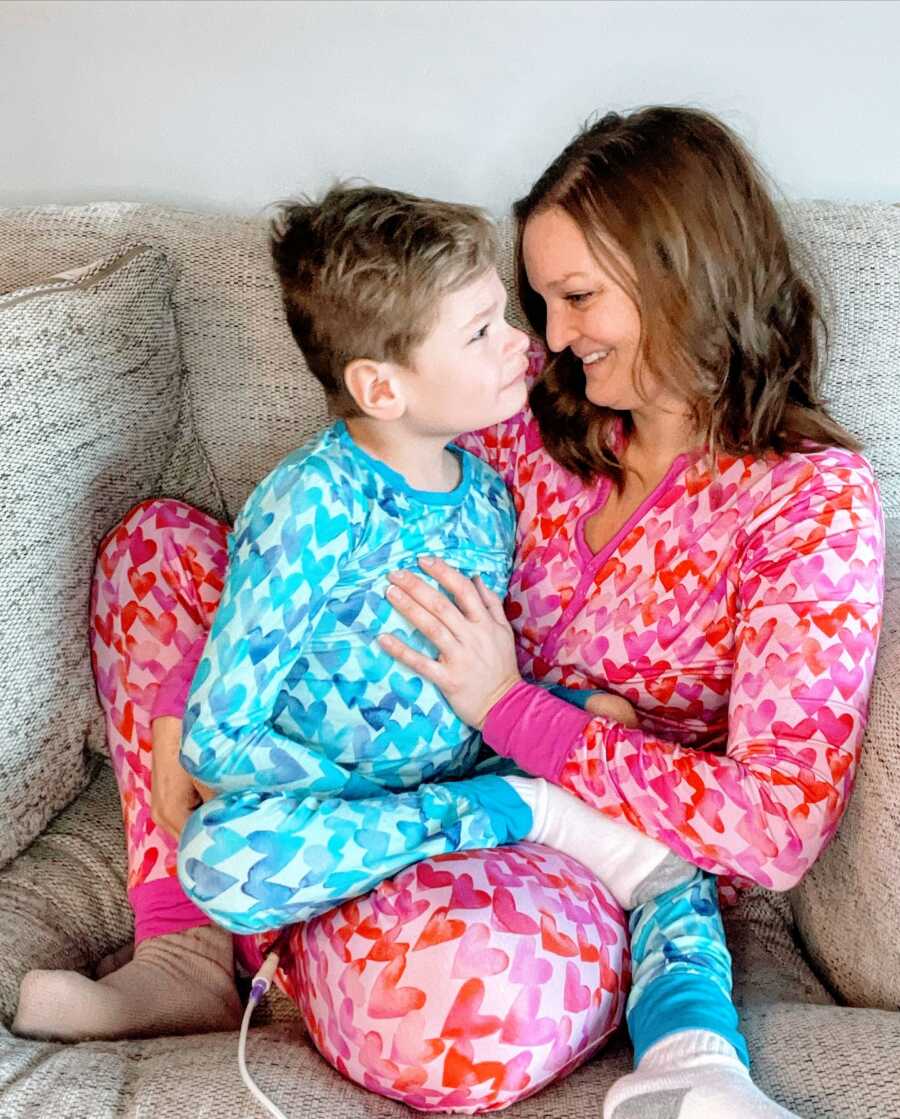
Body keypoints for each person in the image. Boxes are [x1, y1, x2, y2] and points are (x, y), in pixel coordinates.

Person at [13, 185, 704, 1110]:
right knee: (221, 851)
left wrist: (556, 717)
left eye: (509, 315)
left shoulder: (487, 487)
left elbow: (478, 681)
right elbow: (223, 726)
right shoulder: (314, 505)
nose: (526, 344)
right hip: (330, 787)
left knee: (604, 723)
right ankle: (185, 952)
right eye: (484, 330)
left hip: (446, 763)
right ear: (383, 387)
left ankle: (484, 811)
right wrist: (281, 767)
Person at [376, 106, 884, 1118]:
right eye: (539, 300)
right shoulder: (527, 426)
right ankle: (188, 930)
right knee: (160, 546)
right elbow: (366, 514)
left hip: (599, 867)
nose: (551, 339)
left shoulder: (807, 502)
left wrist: (517, 712)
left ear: (681, 278)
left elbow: (776, 829)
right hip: (397, 766)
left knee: (458, 1012)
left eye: (575, 299)